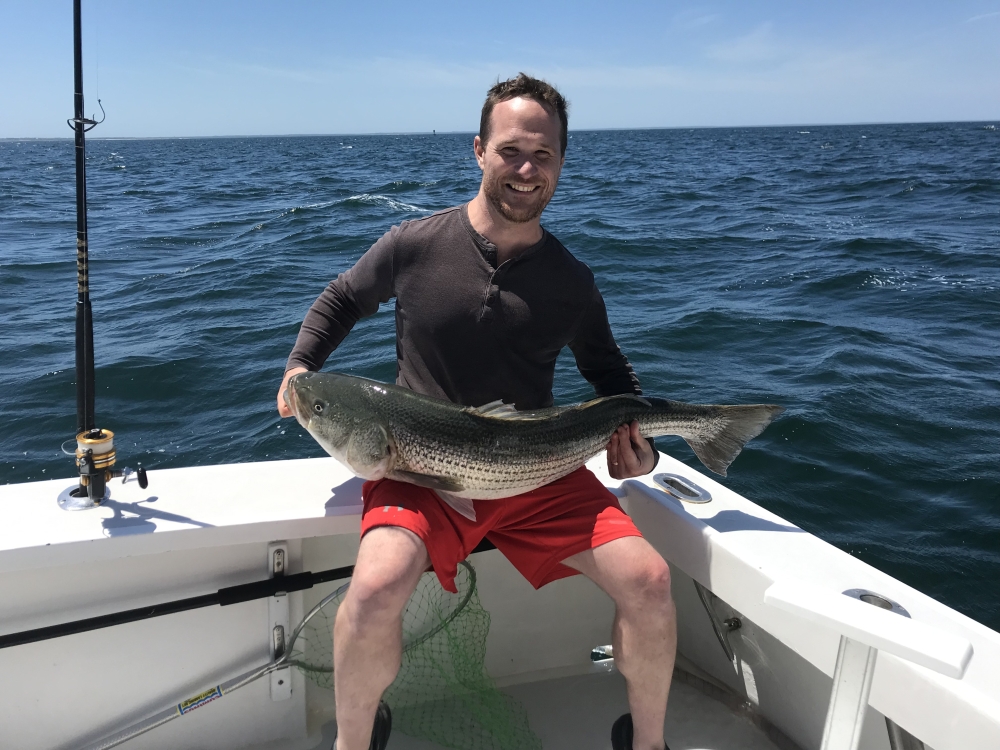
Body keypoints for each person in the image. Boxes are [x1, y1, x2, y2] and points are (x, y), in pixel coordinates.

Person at [277, 73, 676, 750]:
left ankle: (648, 743)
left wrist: (643, 451)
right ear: (479, 150)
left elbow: (613, 378)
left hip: (537, 470)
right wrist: (299, 367)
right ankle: (353, 742)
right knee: (374, 590)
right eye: (511, 151)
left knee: (650, 580)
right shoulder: (414, 244)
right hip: (417, 463)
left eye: (543, 155)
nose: (526, 170)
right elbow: (342, 298)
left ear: (561, 163)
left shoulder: (572, 280)